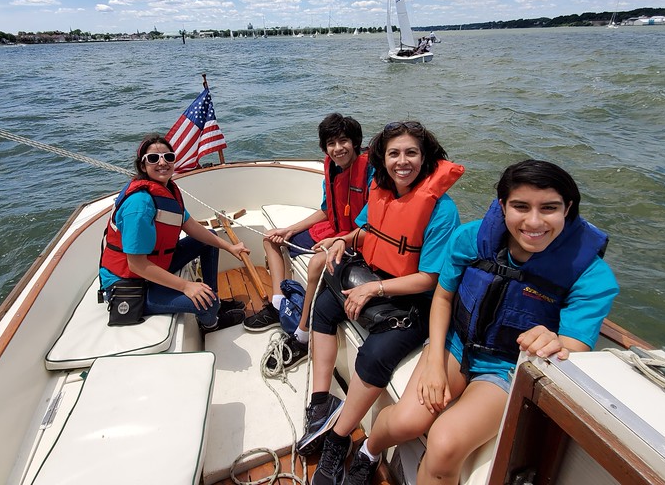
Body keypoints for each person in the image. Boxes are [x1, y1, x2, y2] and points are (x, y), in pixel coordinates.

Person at [349, 159, 619, 485]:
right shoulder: (470, 239)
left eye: (549, 208)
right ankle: (368, 451)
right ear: (503, 206)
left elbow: (573, 343)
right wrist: (434, 362)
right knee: (407, 421)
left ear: (568, 208)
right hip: (456, 344)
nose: (534, 221)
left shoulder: (590, 274)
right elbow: (444, 298)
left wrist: (555, 341)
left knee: (446, 444)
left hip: (507, 367)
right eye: (520, 206)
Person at [299, 121, 464, 485]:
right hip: (375, 277)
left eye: (411, 153)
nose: (401, 161)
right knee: (325, 307)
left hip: (413, 302)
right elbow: (366, 229)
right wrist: (345, 239)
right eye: (393, 154)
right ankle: (321, 398)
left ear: (425, 157)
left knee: (375, 354)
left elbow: (430, 279)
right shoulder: (380, 189)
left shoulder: (441, 210)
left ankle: (338, 439)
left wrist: (374, 291)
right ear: (382, 159)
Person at [244, 113, 374, 367]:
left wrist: (340, 240)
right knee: (272, 240)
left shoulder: (371, 173)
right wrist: (290, 230)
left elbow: (372, 223)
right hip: (333, 229)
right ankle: (278, 304)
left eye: (343, 141)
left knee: (316, 263)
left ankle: (302, 336)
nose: (337, 149)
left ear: (355, 142)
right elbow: (327, 209)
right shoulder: (332, 169)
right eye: (331, 143)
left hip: (356, 240)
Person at [99, 134, 249, 332]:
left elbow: (191, 226)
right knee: (207, 302)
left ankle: (215, 301)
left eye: (168, 157)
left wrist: (230, 247)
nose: (162, 162)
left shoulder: (166, 190)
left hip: (156, 264)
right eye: (153, 158)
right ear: (143, 166)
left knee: (209, 240)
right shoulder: (139, 205)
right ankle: (211, 323)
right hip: (130, 283)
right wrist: (186, 286)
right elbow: (136, 264)